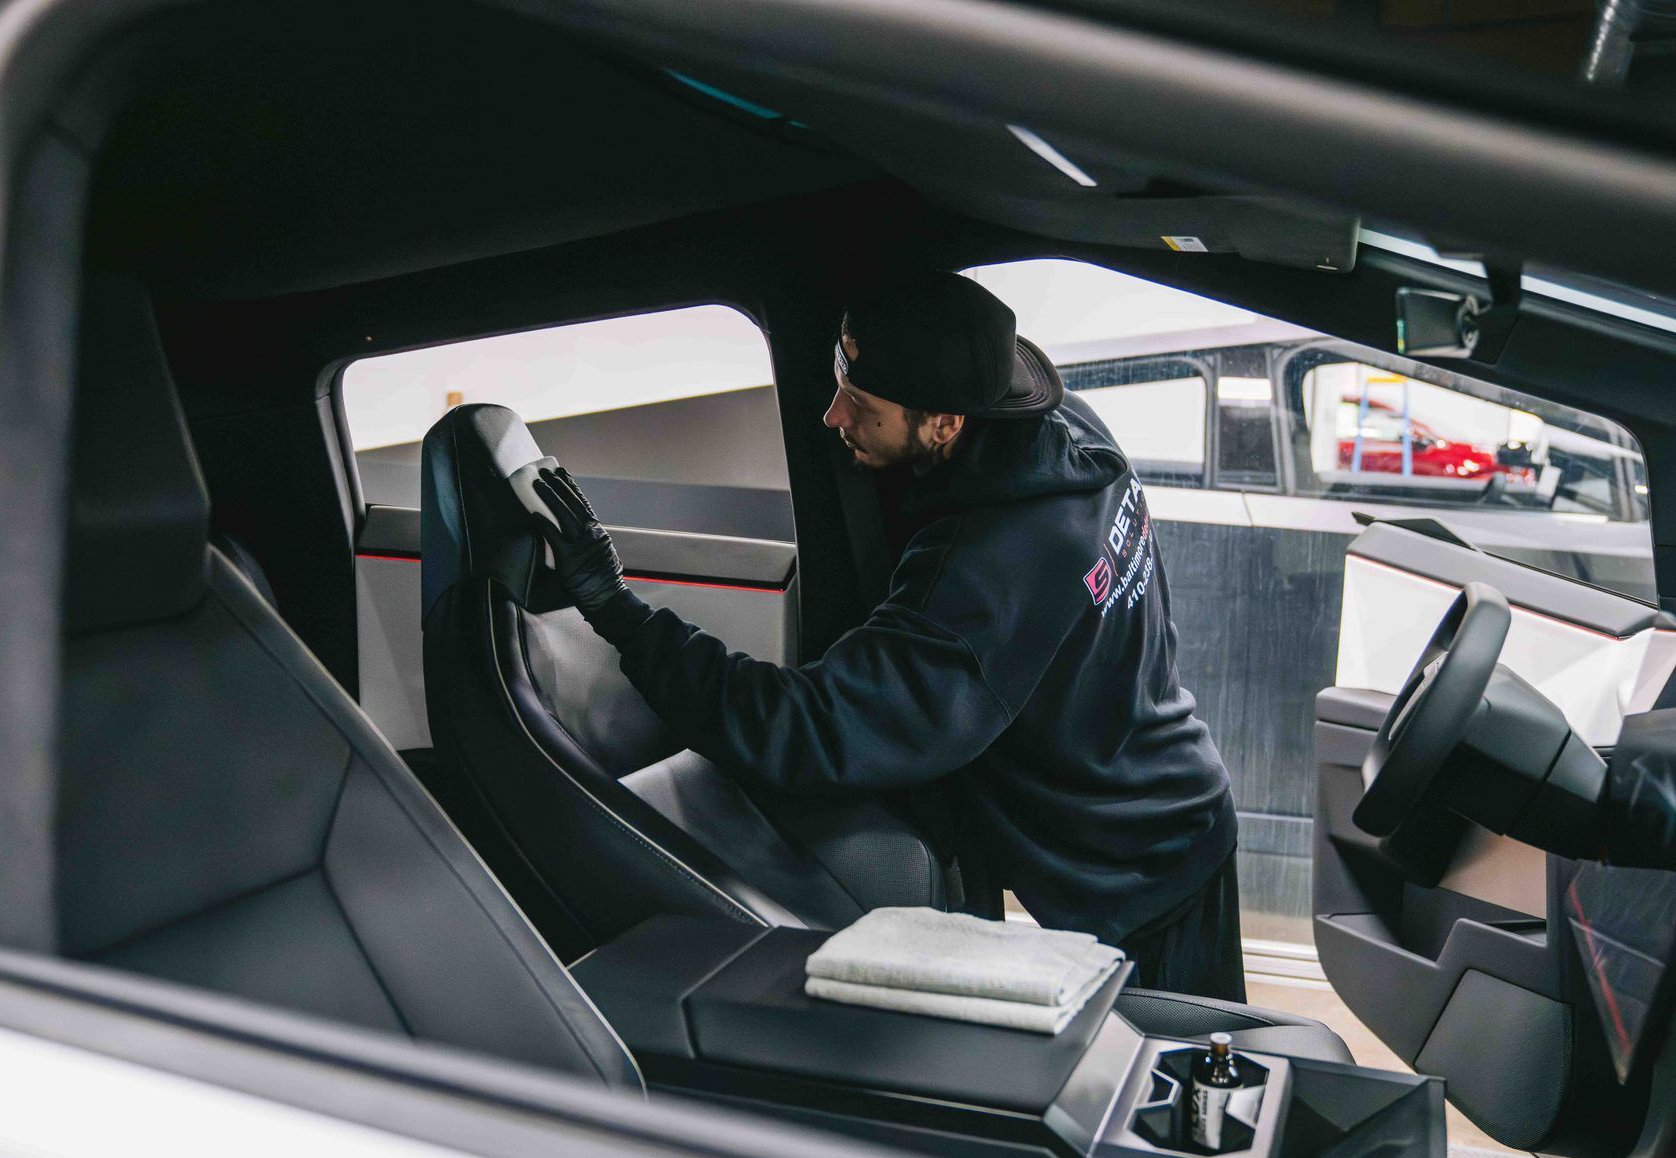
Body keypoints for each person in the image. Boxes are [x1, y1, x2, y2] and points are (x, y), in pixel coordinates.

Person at [528, 271, 1244, 1001]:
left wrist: (616, 609)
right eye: (841, 378)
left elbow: (805, 730)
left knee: (1178, 1082)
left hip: (1148, 864)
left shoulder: (990, 572)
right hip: (1170, 797)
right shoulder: (1069, 432)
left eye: (861, 404)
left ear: (944, 424)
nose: (832, 414)